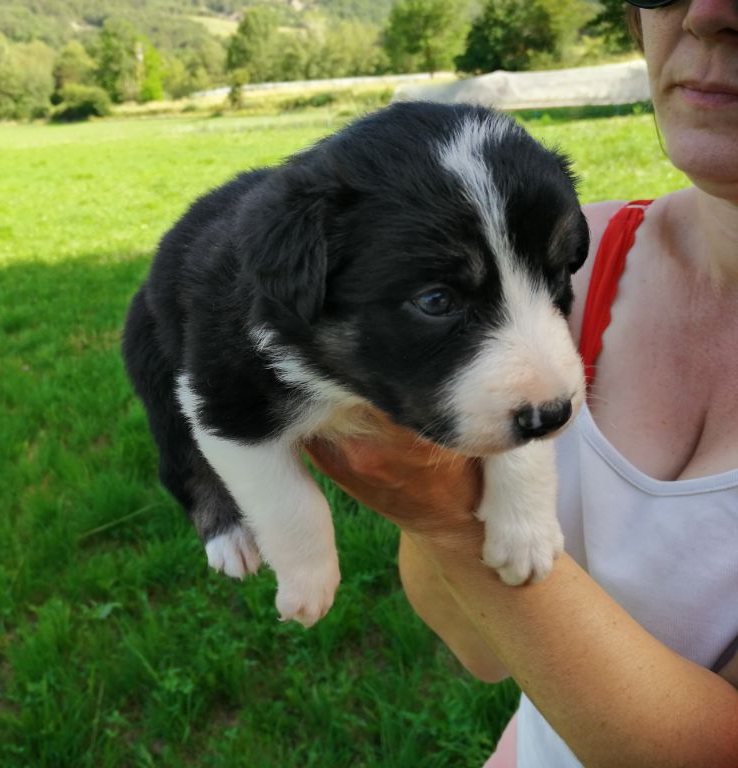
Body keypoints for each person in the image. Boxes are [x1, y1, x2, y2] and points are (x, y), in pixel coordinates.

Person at [306, 0, 738, 765]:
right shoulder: (563, 259)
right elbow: (481, 647)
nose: (704, 13)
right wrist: (430, 488)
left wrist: (451, 518)